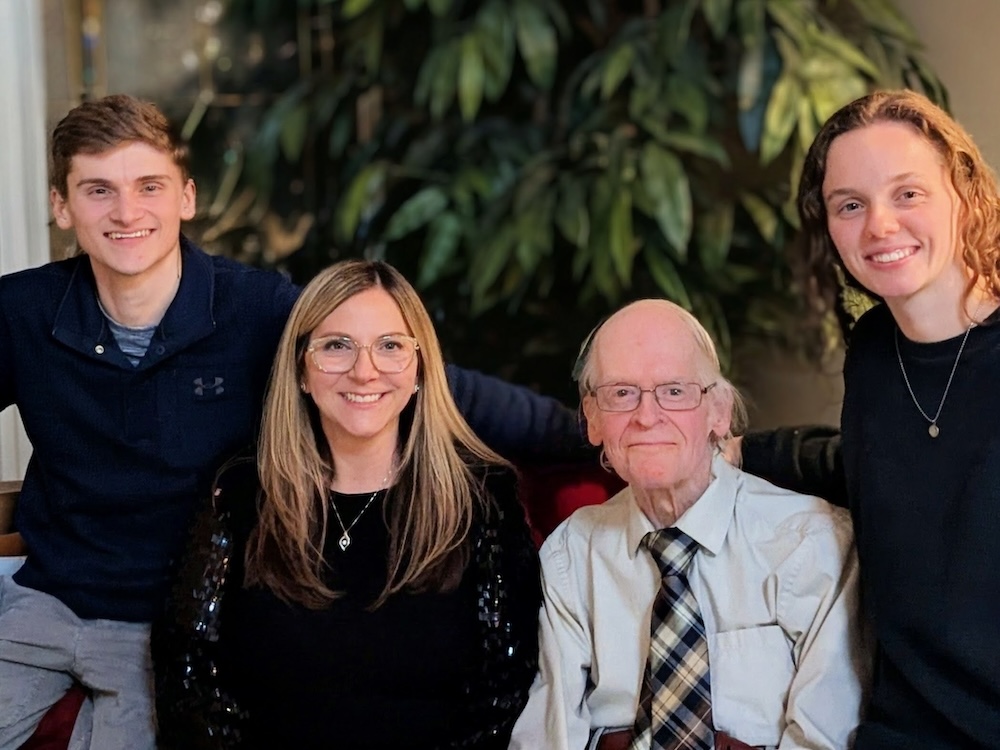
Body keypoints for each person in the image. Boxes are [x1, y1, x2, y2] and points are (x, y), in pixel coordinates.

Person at [0, 94, 578, 749]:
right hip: (42, 598)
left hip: (160, 619)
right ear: (61, 206)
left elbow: (430, 385)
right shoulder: (22, 310)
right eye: (98, 190)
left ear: (187, 197)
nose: (127, 212)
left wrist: (595, 430)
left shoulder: (259, 310)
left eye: (149, 186)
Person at [153, 259, 540, 749]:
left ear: (419, 369)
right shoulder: (238, 489)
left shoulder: (481, 497)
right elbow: (187, 669)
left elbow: (506, 686)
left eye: (390, 346)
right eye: (337, 346)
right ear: (301, 370)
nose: (364, 371)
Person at [743, 89, 1000, 749]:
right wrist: (734, 451)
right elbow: (882, 467)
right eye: (850, 205)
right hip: (897, 731)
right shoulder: (875, 354)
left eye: (907, 194)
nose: (880, 226)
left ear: (964, 194)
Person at [508, 299, 869, 750]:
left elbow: (824, 739)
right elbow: (550, 735)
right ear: (593, 419)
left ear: (719, 411)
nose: (646, 416)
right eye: (621, 393)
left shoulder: (812, 544)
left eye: (674, 391)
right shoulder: (571, 553)